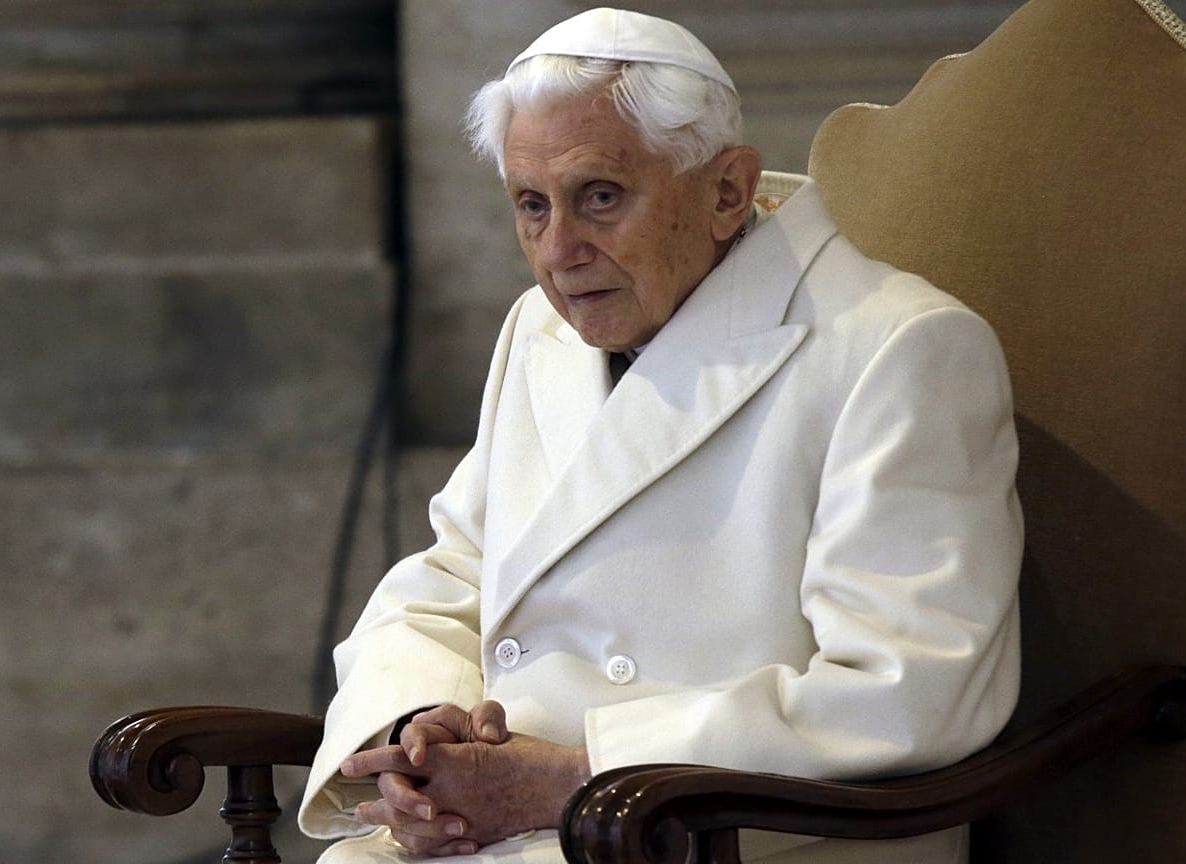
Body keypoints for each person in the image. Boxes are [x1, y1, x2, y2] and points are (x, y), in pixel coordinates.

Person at [298, 8, 1022, 864]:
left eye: (599, 197)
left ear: (725, 192)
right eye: (532, 206)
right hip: (516, 830)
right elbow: (456, 568)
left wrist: (577, 775)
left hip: (728, 838)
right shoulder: (540, 331)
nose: (558, 251)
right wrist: (420, 739)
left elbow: (910, 690)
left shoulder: (898, 349)